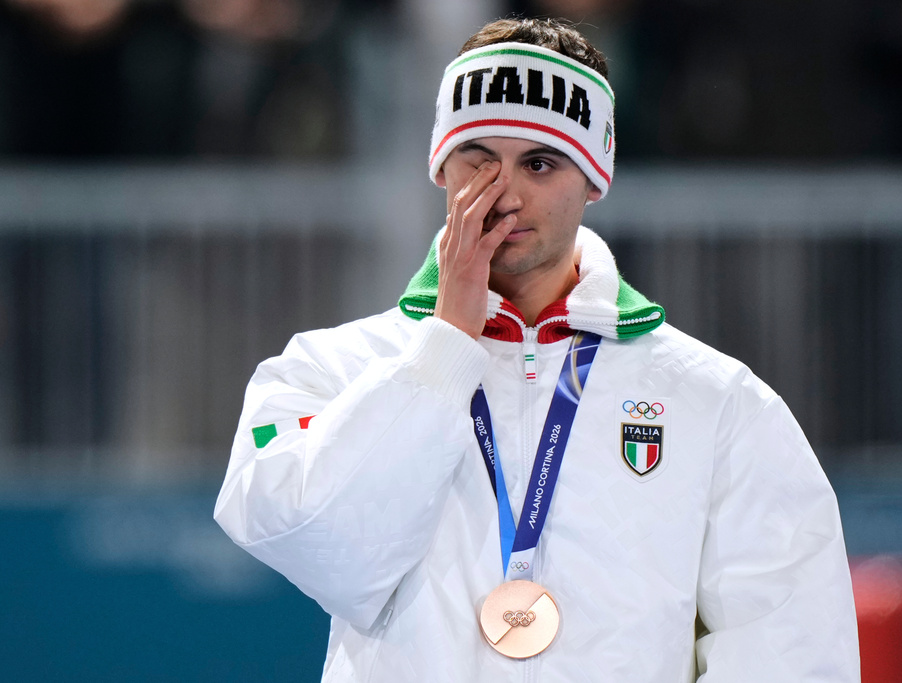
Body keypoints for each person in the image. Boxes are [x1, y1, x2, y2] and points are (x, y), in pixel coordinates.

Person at [214, 17, 860, 682]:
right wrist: (443, 350)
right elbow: (317, 541)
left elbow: (795, 646)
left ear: (594, 177)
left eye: (540, 163)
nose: (505, 195)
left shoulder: (717, 403)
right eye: (480, 158)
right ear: (440, 164)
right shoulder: (331, 368)